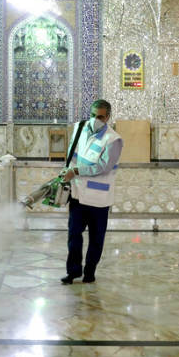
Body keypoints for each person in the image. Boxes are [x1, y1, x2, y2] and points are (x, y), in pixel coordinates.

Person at [59, 99, 123, 284]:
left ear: (108, 117)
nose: (96, 120)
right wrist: (67, 173)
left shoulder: (114, 139)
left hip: (99, 199)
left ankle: (89, 272)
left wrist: (76, 171)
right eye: (94, 115)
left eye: (101, 117)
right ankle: (73, 271)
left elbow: (104, 166)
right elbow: (72, 155)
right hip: (78, 194)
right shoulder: (80, 128)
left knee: (96, 239)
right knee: (73, 235)